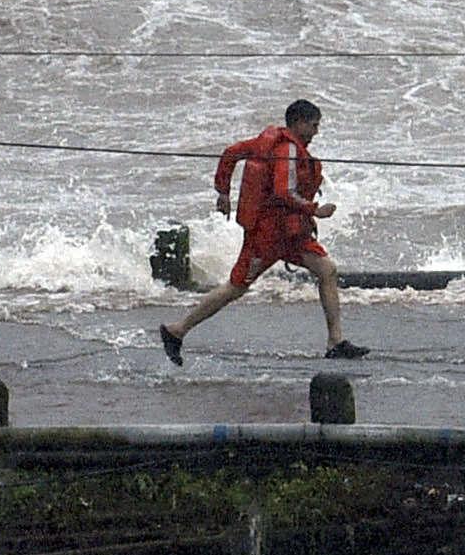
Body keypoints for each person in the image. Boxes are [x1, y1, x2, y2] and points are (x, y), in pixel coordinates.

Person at [158, 98, 368, 365]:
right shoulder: (288, 150)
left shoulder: (267, 143)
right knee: (235, 288)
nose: (316, 132)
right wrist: (315, 210)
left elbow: (231, 152)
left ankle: (335, 341)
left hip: (291, 234)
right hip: (267, 236)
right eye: (314, 126)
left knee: (327, 270)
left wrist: (223, 192)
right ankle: (177, 331)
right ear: (299, 123)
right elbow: (284, 192)